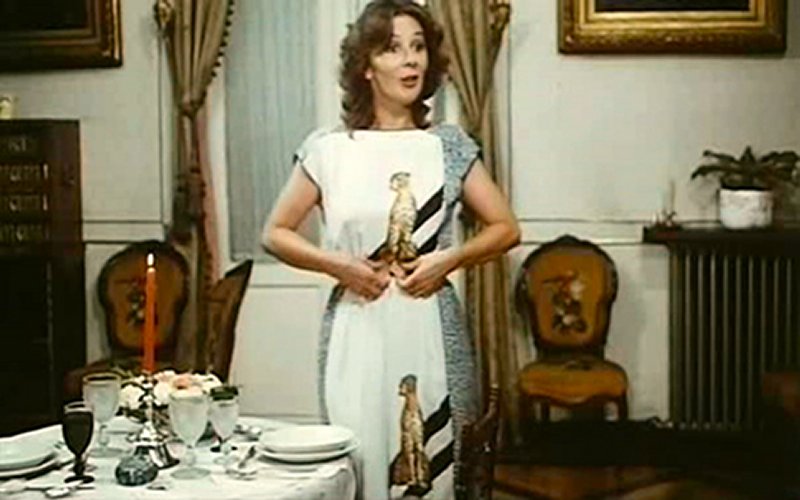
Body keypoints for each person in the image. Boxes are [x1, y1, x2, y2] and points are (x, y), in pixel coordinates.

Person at [262, 1, 519, 497]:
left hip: (430, 319)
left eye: (418, 47)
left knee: (437, 466)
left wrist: (449, 259)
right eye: (393, 49)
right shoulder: (329, 148)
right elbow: (276, 233)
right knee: (358, 458)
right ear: (366, 66)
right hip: (356, 325)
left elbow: (505, 227)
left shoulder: (448, 145)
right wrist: (339, 265)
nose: (411, 60)